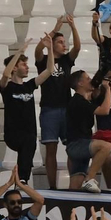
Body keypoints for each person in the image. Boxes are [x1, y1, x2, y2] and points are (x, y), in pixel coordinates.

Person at [34, 16, 81, 189]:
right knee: (51, 149)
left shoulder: (67, 60)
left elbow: (77, 47)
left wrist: (73, 26)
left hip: (67, 109)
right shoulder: (43, 61)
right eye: (60, 42)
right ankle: (52, 186)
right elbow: (38, 51)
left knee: (72, 148)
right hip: (49, 109)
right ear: (52, 44)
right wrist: (54, 30)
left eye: (64, 42)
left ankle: (73, 185)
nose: (64, 45)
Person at [1, 35, 54, 180]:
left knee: (29, 145)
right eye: (23, 64)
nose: (27, 67)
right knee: (27, 142)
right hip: (13, 133)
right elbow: (5, 74)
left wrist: (50, 50)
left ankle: (22, 179)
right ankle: (22, 179)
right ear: (14, 68)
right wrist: (19, 52)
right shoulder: (7, 87)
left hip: (29, 133)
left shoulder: (29, 85)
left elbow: (49, 70)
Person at [64, 71, 111, 193]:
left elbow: (95, 95)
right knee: (106, 147)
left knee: (75, 187)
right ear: (80, 83)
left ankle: (69, 203)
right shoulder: (79, 101)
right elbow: (105, 110)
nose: (91, 80)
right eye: (88, 78)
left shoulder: (82, 100)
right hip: (78, 145)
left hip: (77, 145)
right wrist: (107, 89)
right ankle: (90, 178)